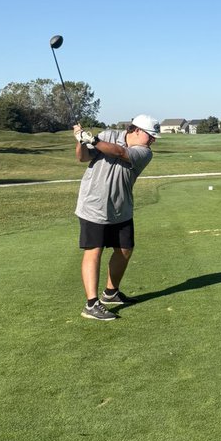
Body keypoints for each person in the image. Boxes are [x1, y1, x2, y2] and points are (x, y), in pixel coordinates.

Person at [73, 114, 160, 321]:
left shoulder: (145, 152)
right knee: (94, 250)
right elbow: (83, 157)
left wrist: (93, 139)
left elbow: (120, 152)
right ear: (137, 130)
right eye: (150, 136)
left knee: (125, 249)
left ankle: (111, 293)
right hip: (93, 205)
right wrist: (80, 140)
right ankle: (91, 304)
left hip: (121, 208)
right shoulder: (108, 135)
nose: (153, 140)